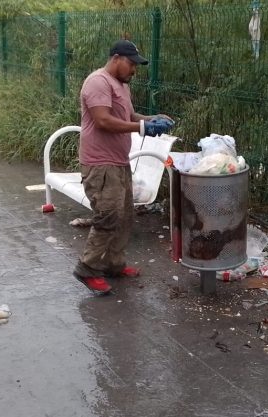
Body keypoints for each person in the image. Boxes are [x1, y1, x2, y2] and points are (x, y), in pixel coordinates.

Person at [73, 39, 174, 294]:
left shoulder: (120, 85)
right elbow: (104, 121)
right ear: (116, 58)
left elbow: (127, 118)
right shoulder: (98, 82)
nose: (134, 70)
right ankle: (87, 268)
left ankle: (113, 265)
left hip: (118, 162)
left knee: (125, 217)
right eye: (131, 64)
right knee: (108, 217)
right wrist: (143, 128)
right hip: (100, 164)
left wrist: (152, 119)